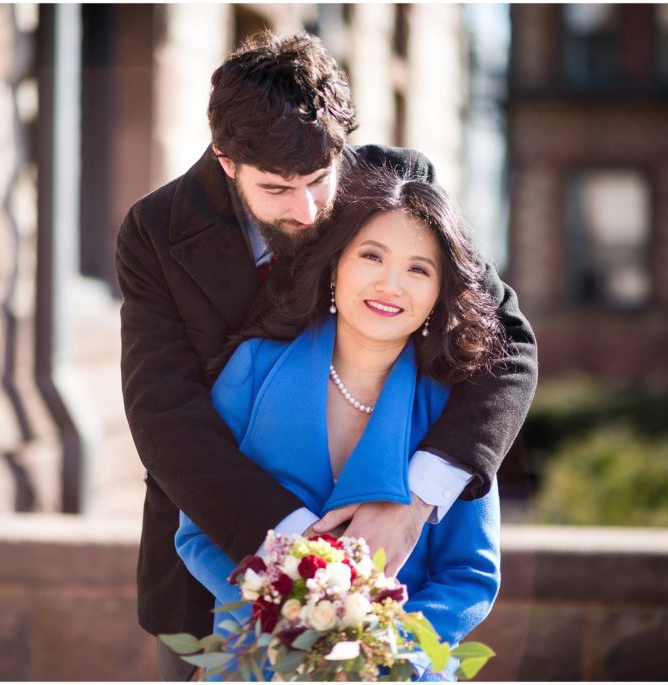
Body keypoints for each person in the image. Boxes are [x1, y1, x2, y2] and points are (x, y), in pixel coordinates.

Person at [116, 31, 536, 680]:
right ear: (227, 162)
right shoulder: (156, 231)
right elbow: (164, 418)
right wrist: (304, 566)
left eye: (319, 180)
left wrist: (415, 500)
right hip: (215, 572)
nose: (309, 209)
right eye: (278, 189)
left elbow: (506, 347)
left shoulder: (395, 185)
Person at [176, 166, 502, 680]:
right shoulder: (254, 368)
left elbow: (470, 572)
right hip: (262, 661)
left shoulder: (454, 409)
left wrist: (381, 652)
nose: (390, 285)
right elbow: (197, 532)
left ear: (440, 292)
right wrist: (285, 624)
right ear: (335, 265)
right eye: (371, 256)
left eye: (419, 269)